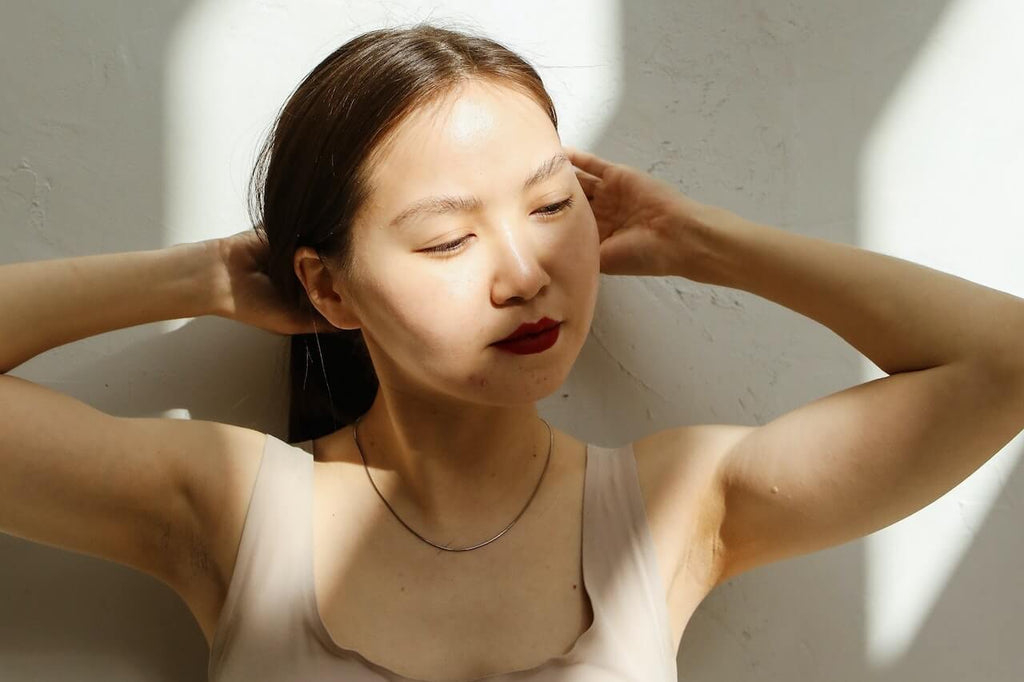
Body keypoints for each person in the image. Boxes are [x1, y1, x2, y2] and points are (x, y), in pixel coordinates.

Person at [1, 22, 1022, 682]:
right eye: (448, 238)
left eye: (549, 205)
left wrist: (699, 241)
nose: (524, 272)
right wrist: (207, 278)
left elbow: (1002, 363)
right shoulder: (232, 505)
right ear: (327, 284)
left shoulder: (674, 506)